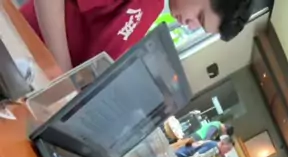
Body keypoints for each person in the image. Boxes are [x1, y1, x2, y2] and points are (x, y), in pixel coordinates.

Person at [20, 0, 255, 72]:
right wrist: (61, 74)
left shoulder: (155, 7)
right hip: (24, 51)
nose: (189, 25)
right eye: (200, 17)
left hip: (42, 80)